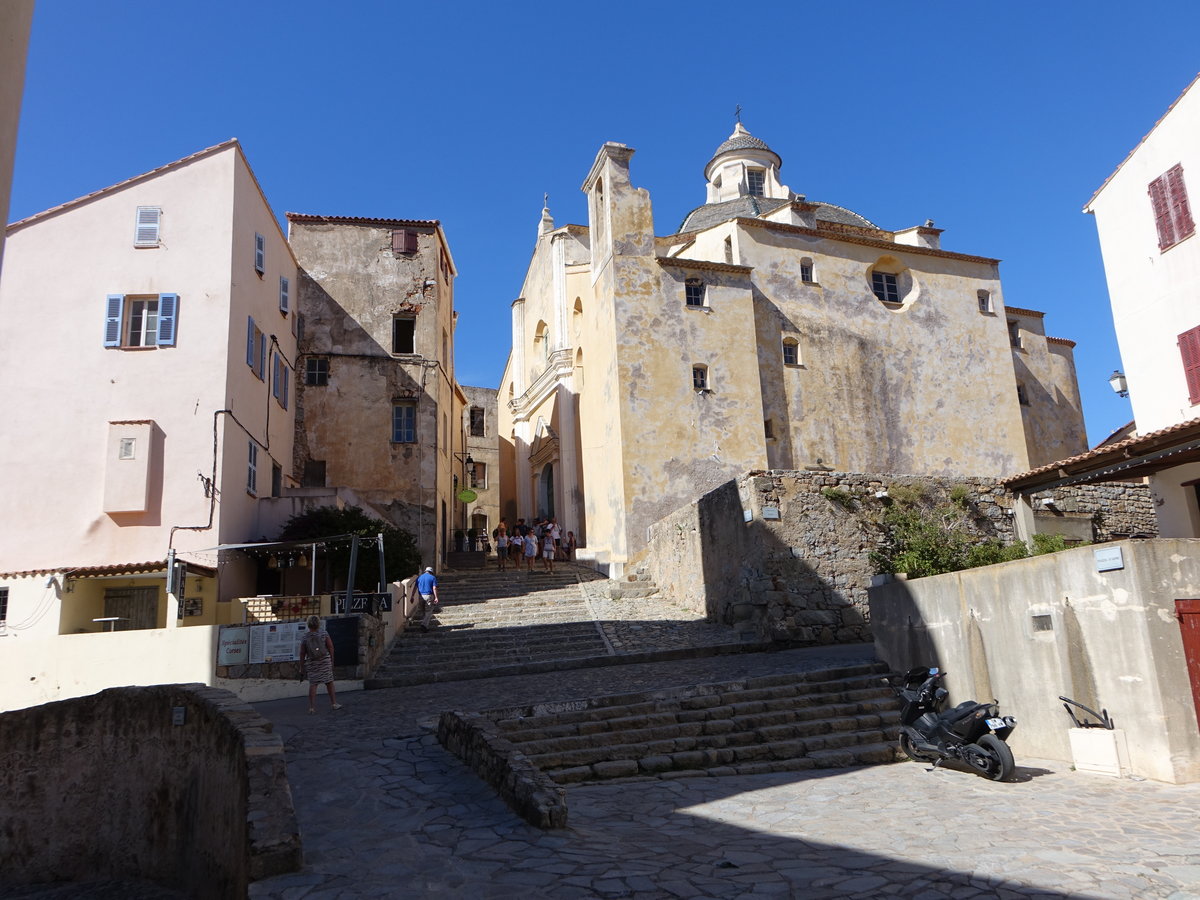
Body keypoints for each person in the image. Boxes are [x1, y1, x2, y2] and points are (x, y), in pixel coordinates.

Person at [300, 614, 340, 714]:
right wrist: (332, 660)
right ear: (318, 623)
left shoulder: (305, 636)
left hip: (312, 662)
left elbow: (302, 653)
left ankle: (312, 707)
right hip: (325, 661)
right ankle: (334, 703)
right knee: (329, 682)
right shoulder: (324, 633)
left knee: (313, 684)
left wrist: (302, 666)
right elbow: (330, 647)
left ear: (308, 624)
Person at [416, 566, 439, 632]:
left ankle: (425, 625)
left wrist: (412, 596)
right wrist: (436, 597)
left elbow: (415, 588)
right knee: (429, 611)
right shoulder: (432, 577)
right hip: (429, 596)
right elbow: (434, 588)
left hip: (421, 596)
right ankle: (424, 624)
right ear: (431, 572)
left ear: (425, 571)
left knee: (423, 611)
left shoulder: (420, 577)